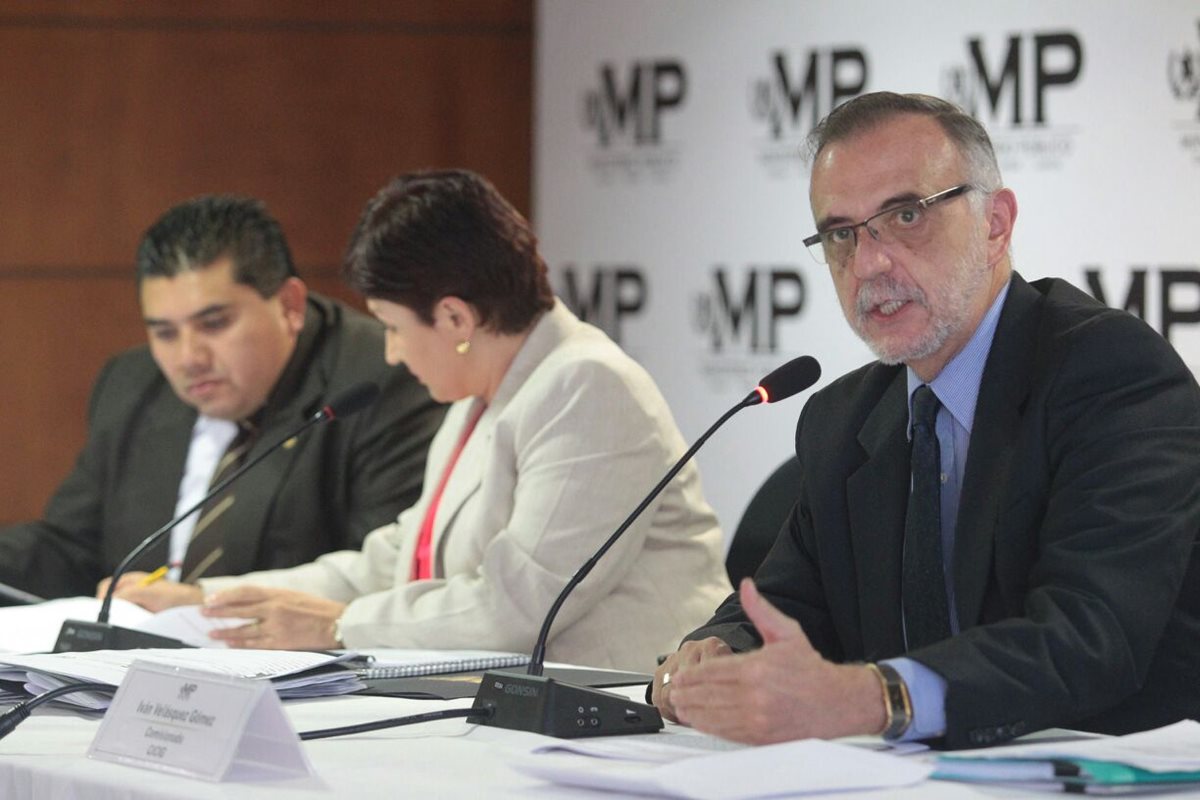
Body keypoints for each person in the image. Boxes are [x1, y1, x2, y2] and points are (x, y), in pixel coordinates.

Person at [652, 92, 1200, 749]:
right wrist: (716, 650)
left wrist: (875, 697)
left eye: (906, 214)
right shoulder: (842, 418)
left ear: (996, 224)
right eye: (840, 234)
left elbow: (1088, 637)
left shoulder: (1108, 373)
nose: (869, 264)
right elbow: (788, 602)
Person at [122, 170, 732, 672]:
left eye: (392, 327)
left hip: (617, 718)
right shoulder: (481, 395)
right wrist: (216, 600)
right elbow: (395, 558)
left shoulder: (587, 387)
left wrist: (336, 626)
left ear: (456, 320)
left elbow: (517, 607)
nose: (389, 352)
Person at [0, 196, 444, 601]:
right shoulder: (131, 382)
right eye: (164, 332)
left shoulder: (377, 385)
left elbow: (386, 579)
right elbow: (69, 548)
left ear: (289, 305)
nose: (188, 358)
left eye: (214, 324)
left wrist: (200, 605)